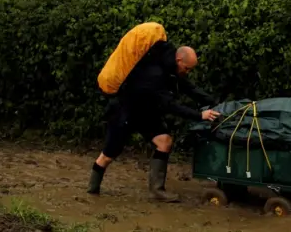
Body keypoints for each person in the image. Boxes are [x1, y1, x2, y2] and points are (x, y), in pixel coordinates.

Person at [87, 42, 221, 202]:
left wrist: (214, 102)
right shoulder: (156, 74)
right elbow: (169, 105)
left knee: (164, 142)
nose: (188, 72)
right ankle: (92, 192)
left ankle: (157, 191)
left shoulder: (170, 67)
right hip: (125, 111)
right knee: (107, 156)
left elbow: (188, 87)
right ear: (179, 60)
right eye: (187, 69)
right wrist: (200, 115)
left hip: (145, 112)